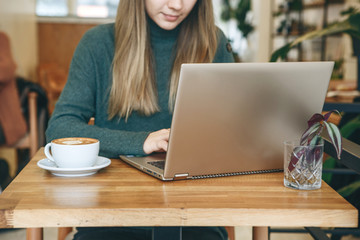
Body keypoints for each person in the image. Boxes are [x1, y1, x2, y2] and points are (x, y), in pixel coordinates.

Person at [46, 0, 234, 239]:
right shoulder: (97, 44)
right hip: (110, 217)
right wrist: (141, 142)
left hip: (193, 217)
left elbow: (230, 133)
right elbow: (60, 129)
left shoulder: (214, 43)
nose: (176, 5)